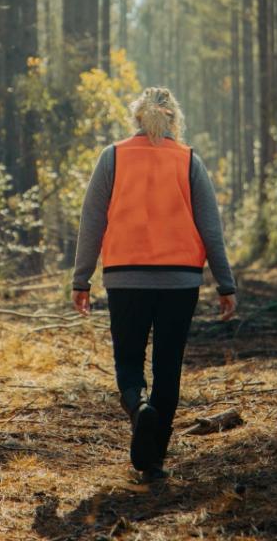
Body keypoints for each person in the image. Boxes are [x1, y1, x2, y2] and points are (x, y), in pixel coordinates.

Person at [71, 86, 238, 484]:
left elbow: (91, 221)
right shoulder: (189, 160)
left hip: (125, 278)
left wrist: (82, 279)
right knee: (168, 366)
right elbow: (210, 227)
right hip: (180, 281)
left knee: (129, 361)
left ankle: (138, 408)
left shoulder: (112, 157)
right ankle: (154, 461)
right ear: (174, 119)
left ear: (137, 118)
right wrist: (225, 283)